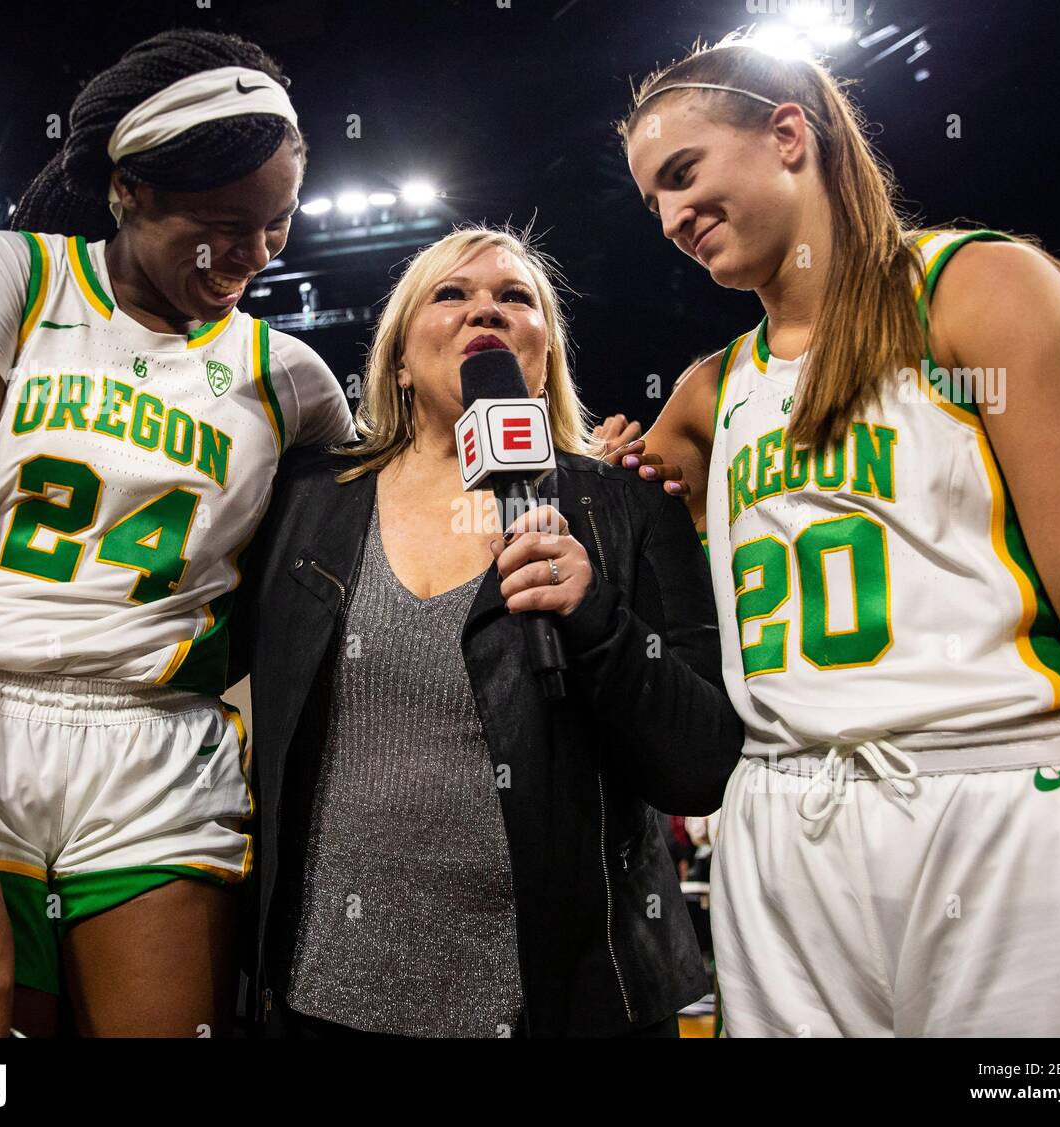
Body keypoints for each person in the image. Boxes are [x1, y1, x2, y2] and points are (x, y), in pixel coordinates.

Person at [616, 37, 1060, 1036]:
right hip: (780, 820)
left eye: (683, 175)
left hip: (999, 797)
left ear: (787, 135)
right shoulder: (706, 395)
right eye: (652, 199)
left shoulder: (977, 290)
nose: (670, 217)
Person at [0, 29, 355, 1038]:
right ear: (128, 190)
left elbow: (367, 550)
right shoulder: (15, 277)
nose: (253, 256)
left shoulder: (291, 375)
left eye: (279, 222)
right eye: (222, 225)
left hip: (160, 745)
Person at [233, 226, 742, 1038]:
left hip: (560, 1007)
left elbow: (699, 765)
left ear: (544, 359)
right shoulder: (304, 500)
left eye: (515, 298)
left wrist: (595, 617)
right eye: (452, 294)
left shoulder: (629, 505)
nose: (487, 311)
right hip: (319, 1002)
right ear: (399, 358)